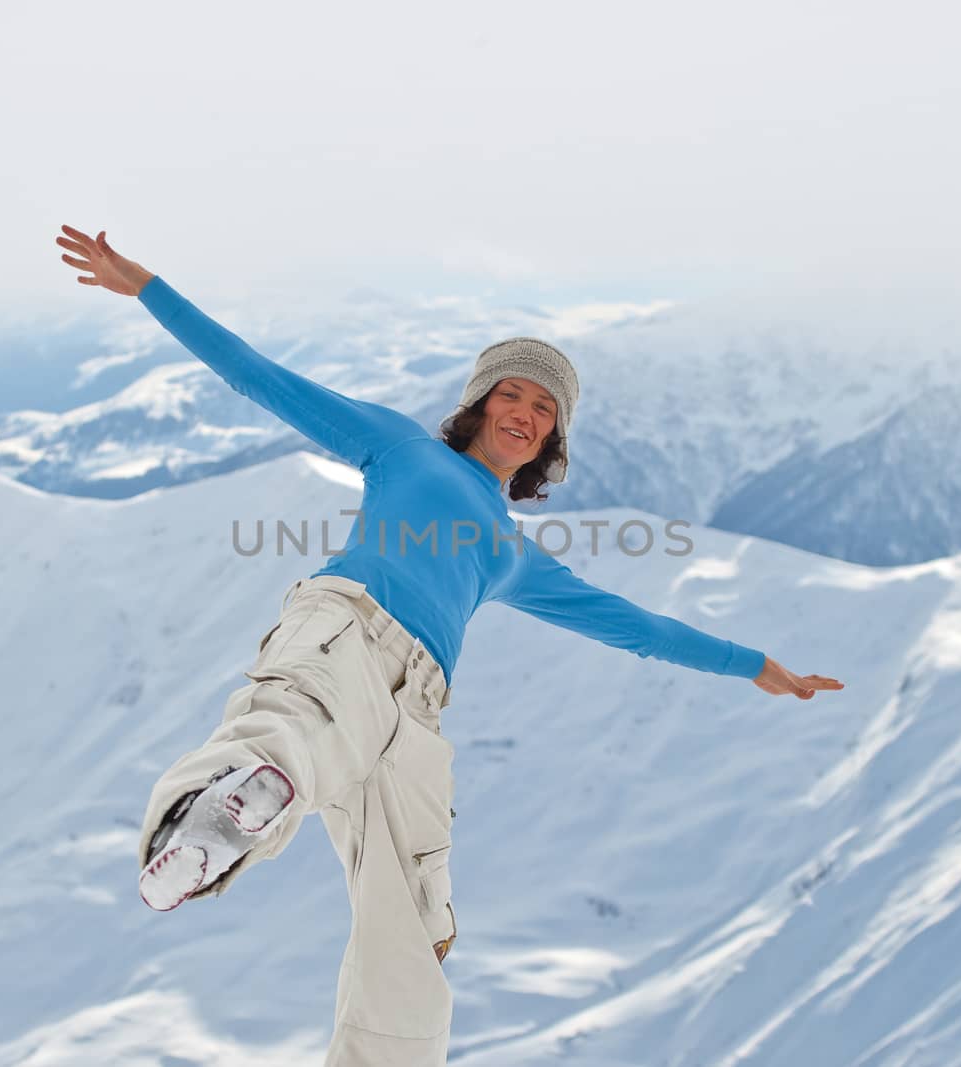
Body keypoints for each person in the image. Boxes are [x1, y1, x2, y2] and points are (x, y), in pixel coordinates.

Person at [55, 225, 844, 1066]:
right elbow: (263, 378)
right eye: (514, 395)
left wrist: (756, 666)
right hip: (348, 627)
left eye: (545, 411)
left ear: (551, 443)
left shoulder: (512, 556)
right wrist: (148, 289)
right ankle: (211, 812)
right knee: (298, 726)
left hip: (418, 711)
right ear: (479, 403)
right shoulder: (399, 447)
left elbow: (636, 627)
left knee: (418, 922)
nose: (527, 414)